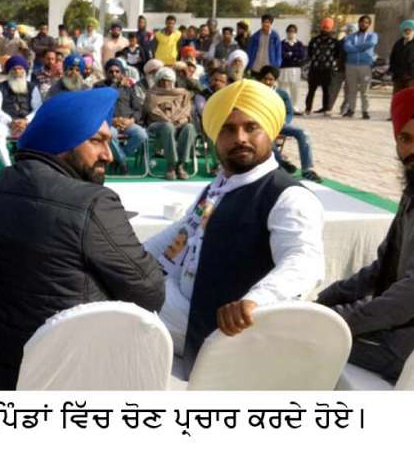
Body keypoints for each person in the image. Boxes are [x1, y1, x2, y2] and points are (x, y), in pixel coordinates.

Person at [0, 88, 164, 389]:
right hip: (66, 374)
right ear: (62, 140)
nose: (108, 155)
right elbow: (149, 292)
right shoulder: (93, 202)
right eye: (96, 141)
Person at [145, 79, 324, 364]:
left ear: (270, 132)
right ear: (215, 138)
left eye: (251, 127)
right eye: (228, 129)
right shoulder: (219, 187)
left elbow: (303, 261)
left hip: (227, 333)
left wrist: (256, 301)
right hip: (185, 308)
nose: (240, 138)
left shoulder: (286, 196)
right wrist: (129, 257)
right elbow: (182, 233)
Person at [317, 87, 414, 382]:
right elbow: (382, 266)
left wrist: (339, 318)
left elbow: (407, 298)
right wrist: (326, 299)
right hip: (396, 326)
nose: (412, 150)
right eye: (405, 139)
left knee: (302, 339)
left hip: (404, 346)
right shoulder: (411, 192)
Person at [257, 65, 323, 183]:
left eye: (271, 79)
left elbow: (289, 112)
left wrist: (284, 121)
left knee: (303, 133)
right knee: (267, 136)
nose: (267, 82)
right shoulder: (255, 93)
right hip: (261, 125)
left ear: (275, 80)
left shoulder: (282, 94)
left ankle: (307, 170)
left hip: (279, 124)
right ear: (260, 79)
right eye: (265, 79)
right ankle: (280, 162)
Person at [0, 55, 42, 167]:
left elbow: (38, 108)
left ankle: (36, 165)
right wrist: (10, 121)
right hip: (6, 124)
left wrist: (26, 121)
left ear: (24, 71)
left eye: (20, 69)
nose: (17, 72)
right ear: (9, 71)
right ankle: (9, 166)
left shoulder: (32, 87)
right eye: (14, 69)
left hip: (28, 125)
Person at [95, 58, 148, 174]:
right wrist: (112, 120)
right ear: (106, 73)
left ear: (121, 72)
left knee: (141, 134)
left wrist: (131, 120)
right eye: (111, 71)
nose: (114, 74)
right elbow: (96, 108)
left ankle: (118, 159)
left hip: (127, 122)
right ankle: (123, 161)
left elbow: (138, 108)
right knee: (111, 134)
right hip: (108, 122)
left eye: (117, 71)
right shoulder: (99, 87)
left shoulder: (128, 87)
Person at [144, 67, 197, 180]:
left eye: (168, 80)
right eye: (162, 80)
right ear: (158, 81)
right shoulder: (152, 94)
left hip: (179, 123)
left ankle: (181, 164)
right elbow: (153, 111)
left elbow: (186, 111)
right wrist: (169, 121)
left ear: (173, 81)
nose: (165, 83)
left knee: (189, 127)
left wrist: (179, 121)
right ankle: (171, 165)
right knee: (167, 126)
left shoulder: (183, 93)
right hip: (157, 124)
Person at [341, 16, 378, 119]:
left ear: (369, 24)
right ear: (359, 23)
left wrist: (355, 48)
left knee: (365, 91)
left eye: (366, 22)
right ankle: (351, 110)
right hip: (351, 65)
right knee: (351, 90)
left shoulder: (373, 35)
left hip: (365, 65)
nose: (363, 24)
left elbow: (371, 43)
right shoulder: (350, 36)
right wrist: (361, 48)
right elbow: (347, 47)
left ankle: (365, 111)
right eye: (361, 22)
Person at [306, 18, 340, 116]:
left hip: (328, 70)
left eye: (327, 27)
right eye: (324, 27)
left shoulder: (335, 42)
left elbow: (337, 55)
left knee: (327, 90)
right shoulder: (314, 40)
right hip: (315, 69)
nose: (325, 29)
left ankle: (326, 109)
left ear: (331, 28)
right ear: (321, 27)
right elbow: (310, 53)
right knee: (311, 90)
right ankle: (308, 108)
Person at [280, 24, 307, 115]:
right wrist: (292, 55)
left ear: (296, 33)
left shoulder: (299, 44)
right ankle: (282, 106)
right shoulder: (282, 43)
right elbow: (282, 54)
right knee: (283, 88)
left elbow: (301, 54)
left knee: (294, 88)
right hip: (284, 69)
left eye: (293, 32)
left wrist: (290, 54)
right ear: (287, 32)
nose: (291, 33)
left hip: (295, 69)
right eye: (289, 31)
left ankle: (294, 106)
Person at [391, 19, 414, 94]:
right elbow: (393, 58)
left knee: (410, 97)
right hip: (398, 77)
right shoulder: (398, 43)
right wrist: (394, 70)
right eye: (405, 30)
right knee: (397, 97)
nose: (407, 32)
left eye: (409, 30)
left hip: (411, 78)